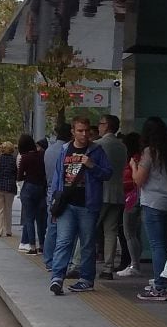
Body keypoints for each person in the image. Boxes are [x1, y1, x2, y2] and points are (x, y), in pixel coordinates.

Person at [49, 115, 113, 295]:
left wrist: (92, 166)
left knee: (87, 243)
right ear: (73, 132)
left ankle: (86, 279)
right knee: (64, 241)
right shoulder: (64, 150)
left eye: (86, 131)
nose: (84, 134)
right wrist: (53, 202)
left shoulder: (96, 151)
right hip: (66, 204)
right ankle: (57, 277)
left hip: (88, 204)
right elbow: (57, 177)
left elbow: (107, 173)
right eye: (80, 131)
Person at [132, 117, 167, 301]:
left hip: (153, 203)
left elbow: (139, 179)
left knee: (157, 244)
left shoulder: (150, 152)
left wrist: (133, 167)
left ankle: (161, 286)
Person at [95, 115, 127, 278]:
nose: (98, 127)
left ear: (106, 126)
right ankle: (108, 267)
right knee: (111, 231)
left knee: (90, 228)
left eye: (100, 124)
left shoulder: (97, 145)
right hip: (118, 193)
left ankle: (77, 263)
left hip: (100, 193)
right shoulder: (122, 146)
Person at [43, 123, 72, 269]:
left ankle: (49, 260)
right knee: (67, 231)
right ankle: (63, 261)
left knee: (52, 227)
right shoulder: (67, 150)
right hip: (65, 192)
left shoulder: (49, 150)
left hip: (51, 192)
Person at [115, 132, 143, 277]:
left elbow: (133, 180)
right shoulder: (140, 157)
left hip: (131, 199)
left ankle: (134, 264)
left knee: (129, 233)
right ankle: (134, 262)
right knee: (134, 233)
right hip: (134, 198)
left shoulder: (133, 160)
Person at [17, 134, 47, 254]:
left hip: (29, 187)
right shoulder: (42, 155)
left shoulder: (25, 157)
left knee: (29, 218)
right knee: (41, 218)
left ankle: (32, 246)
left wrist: (27, 175)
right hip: (41, 188)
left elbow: (19, 176)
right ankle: (42, 245)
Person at [0, 141, 17, 236]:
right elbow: (16, 173)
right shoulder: (14, 160)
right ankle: (8, 230)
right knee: (8, 210)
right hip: (10, 187)